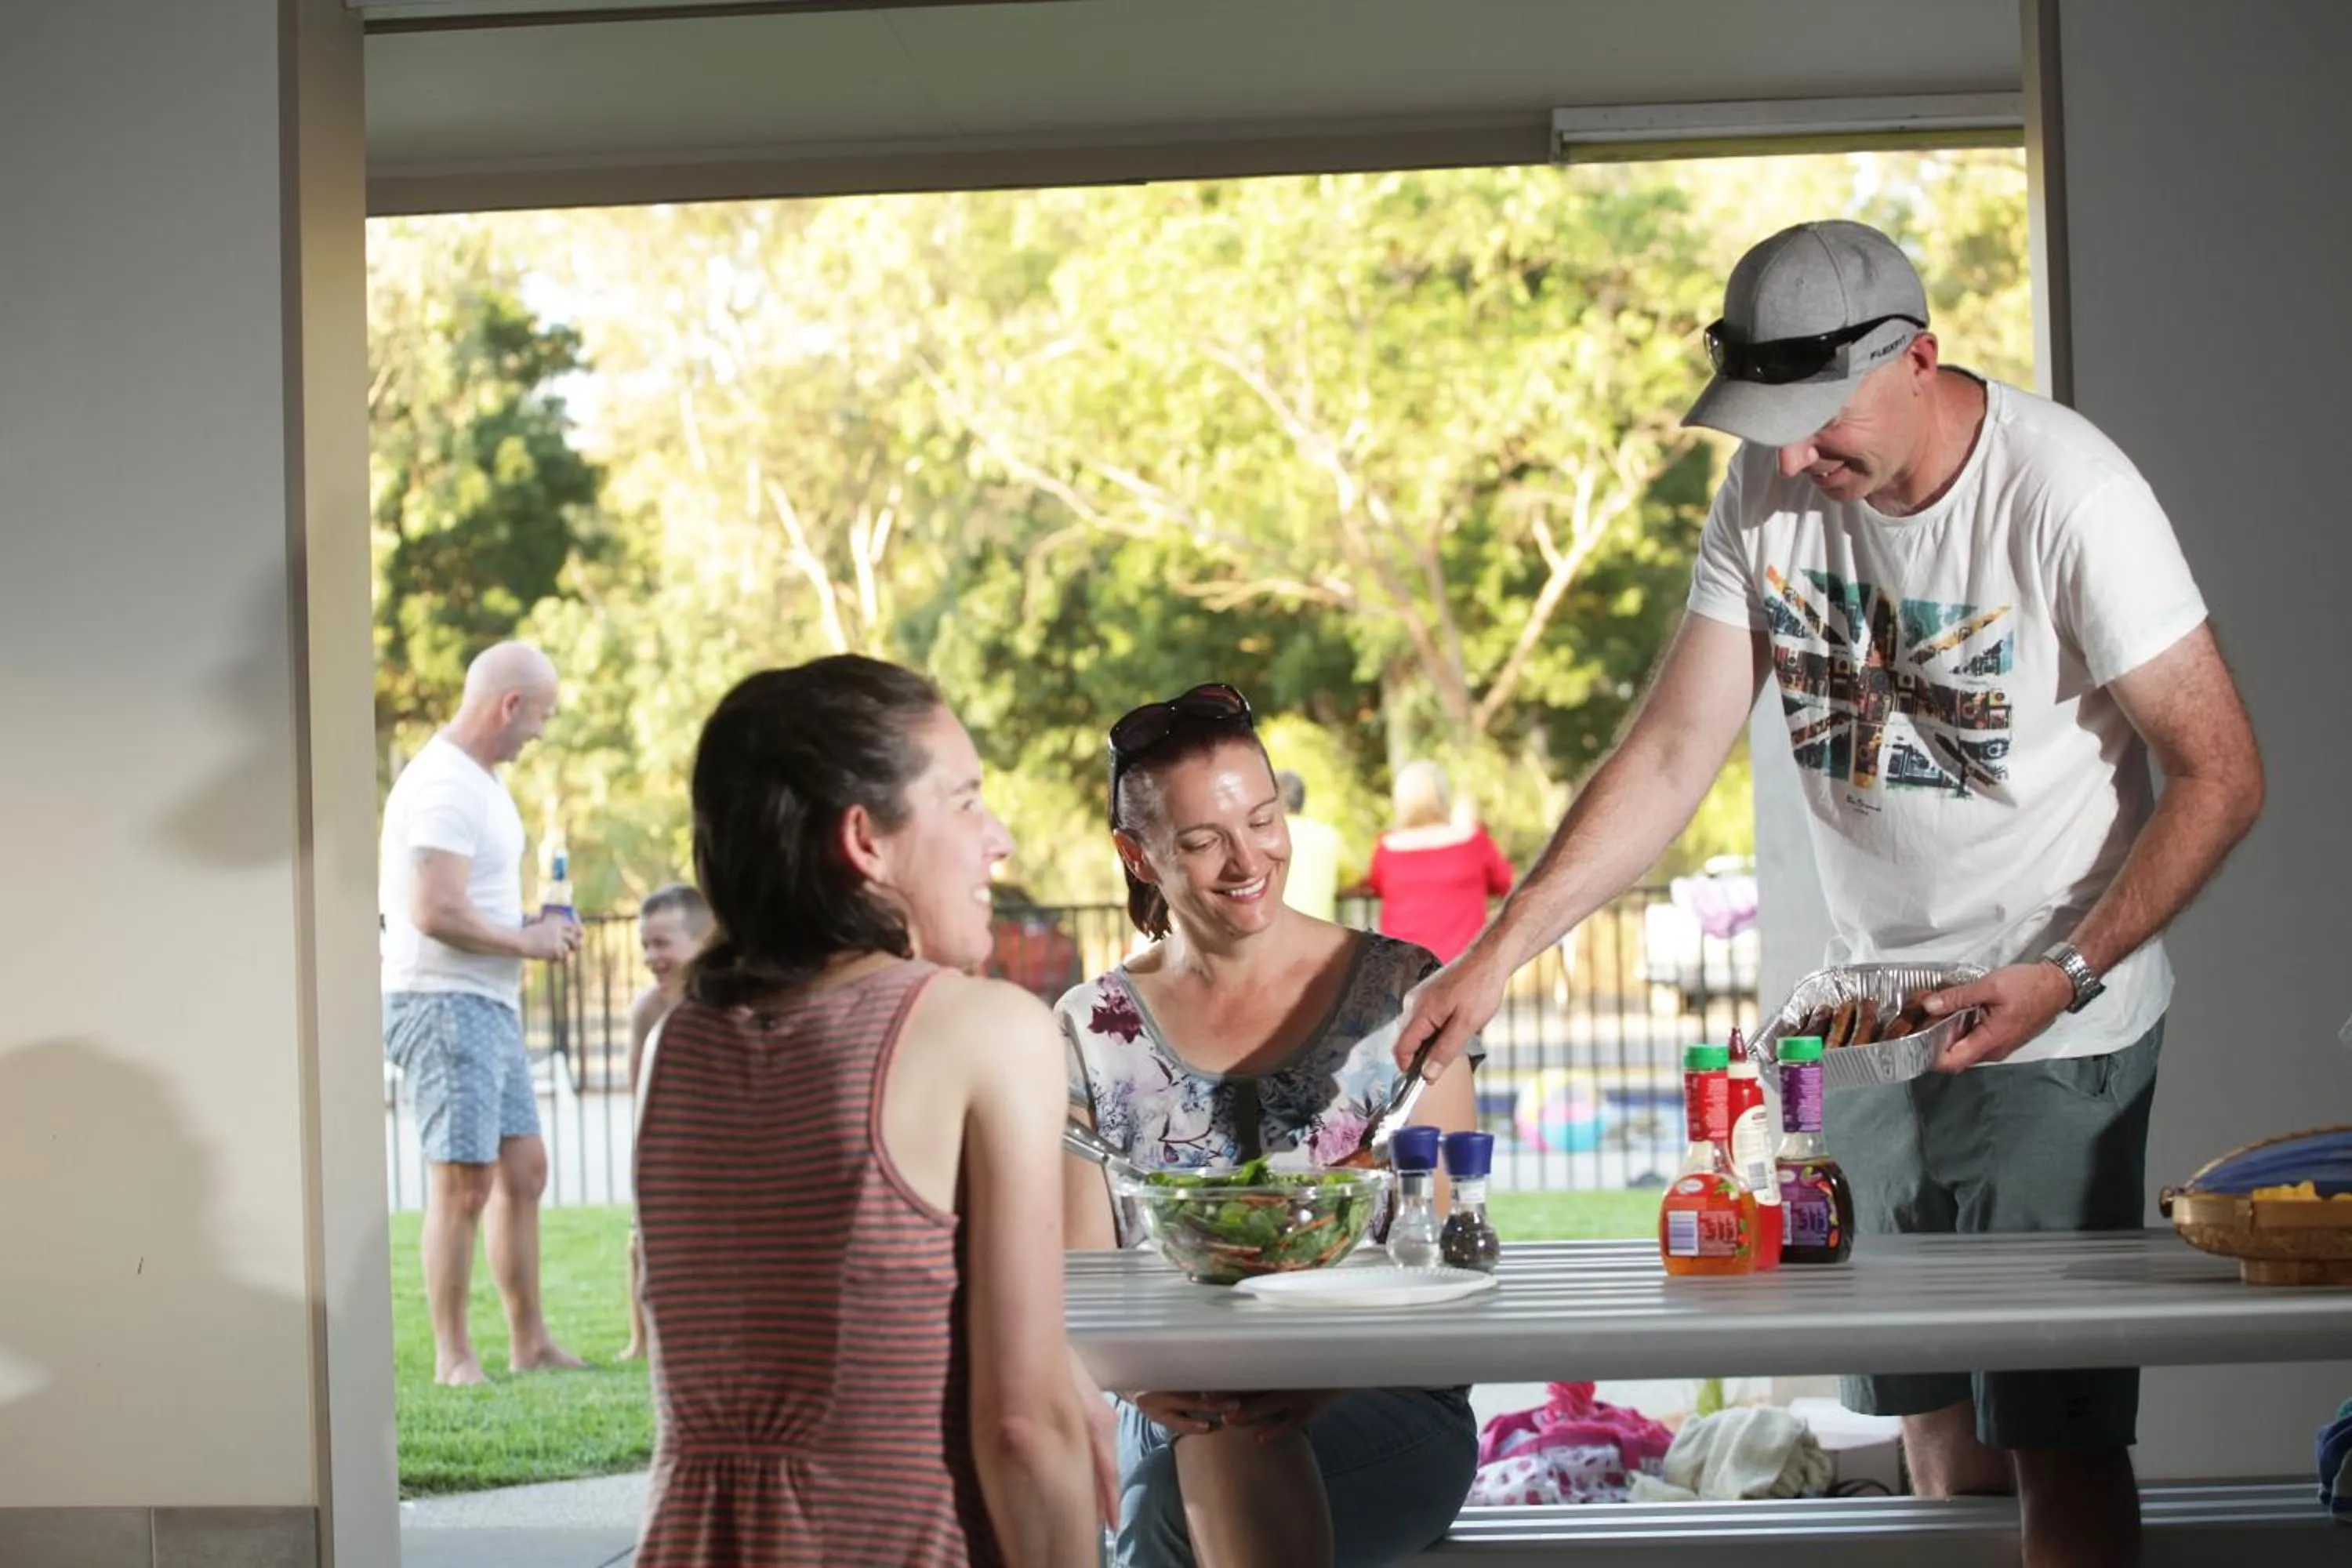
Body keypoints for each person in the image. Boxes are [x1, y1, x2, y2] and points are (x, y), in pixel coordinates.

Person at [1394, 220, 2263, 1566]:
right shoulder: (1767, 490)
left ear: (1920, 358)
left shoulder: (2069, 496)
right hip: (1866, 1024)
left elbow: (2221, 771)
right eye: (1770, 425)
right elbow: (1675, 749)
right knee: (1922, 1411)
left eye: (1816, 419)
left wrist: (2069, 972)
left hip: (2058, 1016)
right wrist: (1496, 955)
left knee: (2058, 1433)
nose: (1793, 458)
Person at [632, 654, 1109, 1568]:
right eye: (966, 800)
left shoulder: (677, 1041)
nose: (997, 837)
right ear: (866, 839)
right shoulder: (982, 1029)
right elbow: (1022, 1424)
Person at [1060, 681, 1482, 1568]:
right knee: (1207, 1439)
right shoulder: (1088, 1028)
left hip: (1382, 1397)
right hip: (1169, 1402)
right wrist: (1144, 1376)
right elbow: (1081, 1291)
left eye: (1262, 819)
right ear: (1137, 855)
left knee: (1178, 1498)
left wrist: (1324, 1374)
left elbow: (1438, 1252)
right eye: (1203, 839)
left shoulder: (1403, 991)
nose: (1247, 858)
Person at [379, 641, 586, 1388]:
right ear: (508, 705)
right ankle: (454, 1356)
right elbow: (433, 909)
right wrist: (524, 939)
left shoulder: (482, 781)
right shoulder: (444, 785)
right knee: (463, 1183)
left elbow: (472, 901)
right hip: (442, 1001)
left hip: (485, 1000)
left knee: (523, 1171)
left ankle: (529, 1342)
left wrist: (535, 925)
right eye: (540, 716)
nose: (539, 732)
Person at [618, 882, 713, 1363]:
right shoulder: (647, 1010)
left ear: (705, 943)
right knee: (642, 1240)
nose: (652, 957)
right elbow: (640, 1095)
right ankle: (641, 1341)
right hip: (667, 1141)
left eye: (663, 944)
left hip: (714, 1143)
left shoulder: (726, 1002)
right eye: (645, 945)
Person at [1361, 760, 1514, 964]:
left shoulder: (1387, 848)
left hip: (1403, 968)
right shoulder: (1474, 842)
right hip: (1463, 966)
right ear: (1444, 797)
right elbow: (1506, 883)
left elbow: (1374, 884)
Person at [1273, 769, 1345, 922]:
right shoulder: (1329, 835)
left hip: (1277, 932)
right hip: (1321, 931)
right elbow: (1352, 878)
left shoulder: (1267, 836)